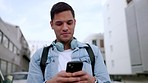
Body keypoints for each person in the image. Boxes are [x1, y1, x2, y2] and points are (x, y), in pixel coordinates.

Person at [27, 2, 111, 83]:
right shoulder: (38, 56)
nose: (65, 28)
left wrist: (94, 81)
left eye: (69, 23)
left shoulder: (94, 52)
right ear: (51, 24)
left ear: (74, 23)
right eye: (59, 24)